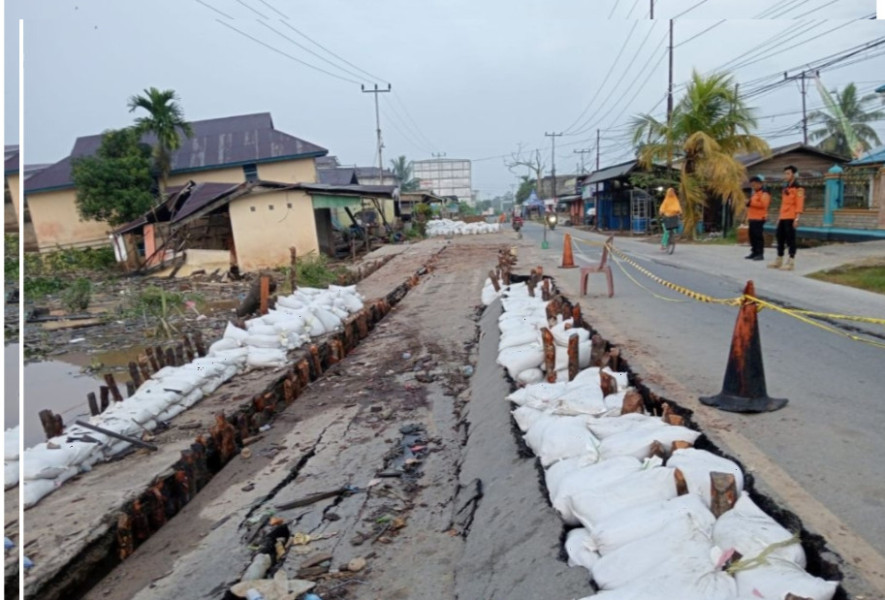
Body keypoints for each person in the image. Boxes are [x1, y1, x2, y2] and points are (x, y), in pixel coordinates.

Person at [768, 165, 804, 271]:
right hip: (783, 216)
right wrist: (779, 217)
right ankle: (779, 259)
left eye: (788, 173)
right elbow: (783, 204)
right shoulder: (785, 188)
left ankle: (791, 261)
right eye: (785, 173)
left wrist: (797, 218)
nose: (786, 175)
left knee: (790, 239)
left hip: (791, 216)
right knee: (780, 237)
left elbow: (799, 204)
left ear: (793, 175)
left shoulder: (798, 189)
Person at [745, 175, 770, 261]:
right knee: (752, 236)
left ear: (759, 184)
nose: (753, 186)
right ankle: (754, 251)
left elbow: (763, 205)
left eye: (754, 184)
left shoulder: (764, 193)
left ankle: (760, 253)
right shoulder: (755, 193)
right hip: (752, 217)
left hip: (759, 218)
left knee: (758, 236)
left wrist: (750, 202)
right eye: (752, 185)